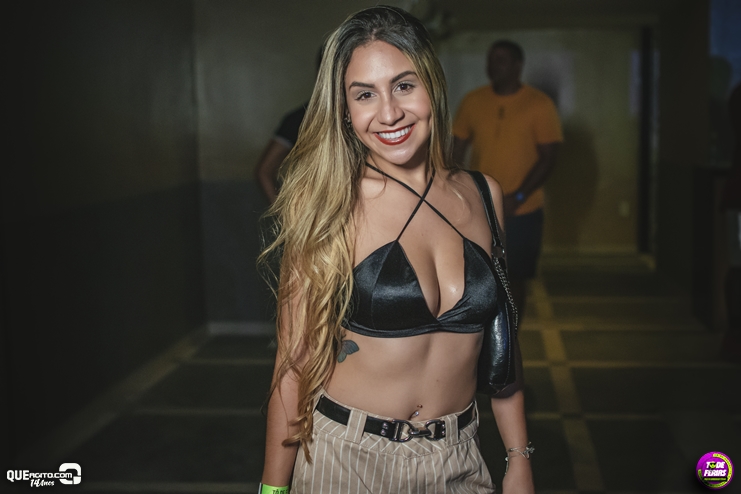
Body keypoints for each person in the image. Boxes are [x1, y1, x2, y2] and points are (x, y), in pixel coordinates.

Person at [260, 6, 533, 494]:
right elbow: (293, 364)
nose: (389, 113)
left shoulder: (482, 195)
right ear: (345, 110)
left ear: (433, 85)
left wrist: (518, 457)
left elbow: (503, 342)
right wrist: (273, 490)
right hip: (346, 460)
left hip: (458, 459)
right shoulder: (329, 204)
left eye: (404, 85)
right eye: (364, 94)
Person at [453, 40, 562, 316]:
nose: (493, 66)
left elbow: (549, 158)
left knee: (514, 279)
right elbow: (455, 151)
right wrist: (459, 192)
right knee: (478, 276)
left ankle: (512, 334)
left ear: (517, 65)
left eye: (500, 60)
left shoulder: (539, 104)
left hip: (522, 211)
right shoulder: (473, 101)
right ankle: (484, 335)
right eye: (490, 60)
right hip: (480, 209)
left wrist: (518, 197)